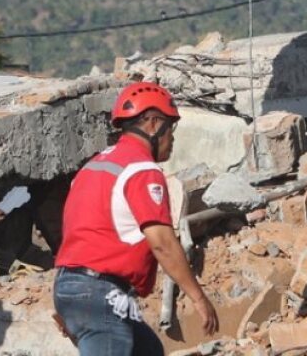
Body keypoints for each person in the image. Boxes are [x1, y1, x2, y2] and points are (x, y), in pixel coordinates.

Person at [54, 81, 219, 355]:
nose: (173, 138)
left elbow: (76, 236)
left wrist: (72, 303)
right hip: (101, 292)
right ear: (153, 124)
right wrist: (199, 298)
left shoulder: (92, 167)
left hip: (71, 286)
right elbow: (163, 243)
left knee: (149, 350)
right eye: (171, 127)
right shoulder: (142, 170)